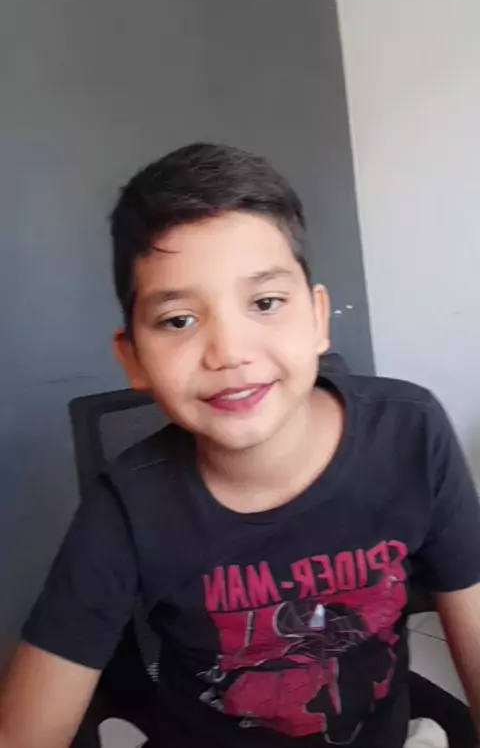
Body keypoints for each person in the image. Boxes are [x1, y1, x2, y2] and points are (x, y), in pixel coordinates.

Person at [1, 143, 480, 748]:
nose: (229, 352)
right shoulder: (126, 506)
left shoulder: (411, 433)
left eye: (265, 303)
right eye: (179, 320)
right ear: (133, 358)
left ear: (318, 319)